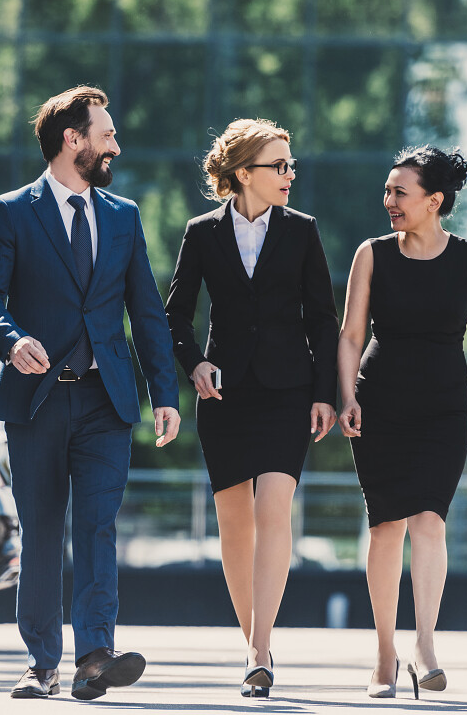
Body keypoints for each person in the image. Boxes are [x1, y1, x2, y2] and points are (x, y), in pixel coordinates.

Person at [0, 85, 181, 701]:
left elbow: (147, 310)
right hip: (36, 400)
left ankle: (93, 655)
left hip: (105, 399)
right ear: (73, 140)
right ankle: (42, 663)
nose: (116, 144)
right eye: (106, 134)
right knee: (40, 529)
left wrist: (164, 392)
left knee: (97, 524)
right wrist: (10, 340)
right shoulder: (10, 212)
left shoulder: (123, 216)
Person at [164, 118, 339, 698]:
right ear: (244, 174)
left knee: (273, 511)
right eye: (278, 165)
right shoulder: (202, 232)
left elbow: (322, 320)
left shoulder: (303, 231)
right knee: (234, 525)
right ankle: (253, 647)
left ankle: (260, 650)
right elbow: (176, 314)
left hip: (288, 392)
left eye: (291, 165)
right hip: (225, 394)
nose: (290, 175)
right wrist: (194, 364)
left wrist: (324, 394)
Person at [337, 146, 467, 700]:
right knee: (386, 524)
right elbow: (349, 336)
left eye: (400, 192)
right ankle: (385, 655)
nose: (389, 201)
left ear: (435, 201)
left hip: (442, 408)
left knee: (429, 521)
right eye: (387, 191)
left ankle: (425, 647)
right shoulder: (372, 254)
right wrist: (346, 398)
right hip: (379, 402)